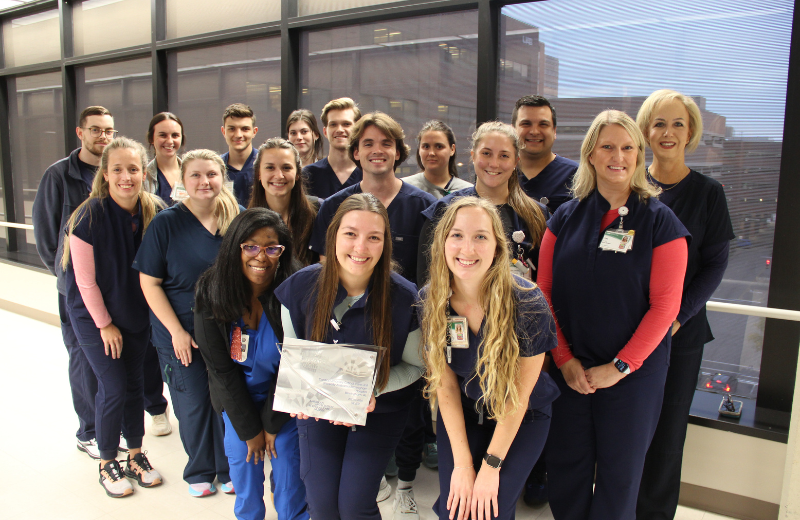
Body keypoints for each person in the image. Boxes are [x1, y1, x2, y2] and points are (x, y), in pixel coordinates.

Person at [538, 110, 689, 520]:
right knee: (566, 466)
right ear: (590, 155)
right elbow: (545, 292)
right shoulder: (564, 217)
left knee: (620, 476)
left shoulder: (661, 222)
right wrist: (563, 359)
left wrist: (621, 366)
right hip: (569, 368)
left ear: (639, 156)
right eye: (607, 146)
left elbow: (665, 307)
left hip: (632, 376)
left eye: (627, 147)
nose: (617, 156)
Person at [275, 193, 425, 520]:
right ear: (333, 236)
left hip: (380, 411)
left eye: (374, 237)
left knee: (355, 506)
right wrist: (302, 392)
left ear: (385, 243)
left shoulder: (404, 297)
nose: (361, 247)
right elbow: (294, 356)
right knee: (323, 506)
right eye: (351, 234)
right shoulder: (300, 288)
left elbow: (416, 365)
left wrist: (371, 391)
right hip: (319, 412)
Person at [420, 196, 558, 520]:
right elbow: (446, 387)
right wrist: (464, 466)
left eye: (480, 236)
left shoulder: (527, 301)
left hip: (522, 417)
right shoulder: (431, 299)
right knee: (455, 509)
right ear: (442, 242)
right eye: (457, 235)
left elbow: (519, 398)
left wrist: (490, 467)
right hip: (466, 412)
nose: (467, 249)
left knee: (488, 511)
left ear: (497, 246)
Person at [635, 90, 734, 520]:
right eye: (659, 123)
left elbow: (714, 265)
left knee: (668, 432)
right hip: (628, 330)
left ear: (690, 132)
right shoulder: (630, 186)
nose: (668, 132)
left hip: (681, 333)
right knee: (628, 427)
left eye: (678, 124)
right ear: (645, 130)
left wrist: (677, 317)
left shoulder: (708, 193)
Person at [61, 137, 165, 497]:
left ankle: (136, 454)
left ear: (144, 172)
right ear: (105, 174)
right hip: (94, 317)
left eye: (133, 169)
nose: (126, 176)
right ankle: (107, 461)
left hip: (134, 313)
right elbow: (86, 283)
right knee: (114, 385)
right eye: (118, 169)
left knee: (135, 383)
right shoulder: (87, 215)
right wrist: (105, 325)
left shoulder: (153, 210)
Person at [134, 149, 240, 497]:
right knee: (193, 402)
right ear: (182, 180)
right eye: (195, 175)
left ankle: (227, 469)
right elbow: (149, 283)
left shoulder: (234, 219)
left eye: (211, 174)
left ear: (222, 178)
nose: (204, 181)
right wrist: (176, 331)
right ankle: (200, 469)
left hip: (225, 330)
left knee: (225, 401)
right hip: (179, 331)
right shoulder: (166, 223)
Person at [194, 208, 308, 520]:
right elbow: (220, 369)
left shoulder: (295, 292)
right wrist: (250, 428)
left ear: (282, 252)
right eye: (250, 246)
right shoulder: (211, 290)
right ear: (235, 247)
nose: (261, 257)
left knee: (287, 466)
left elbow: (295, 363)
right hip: (236, 399)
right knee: (244, 469)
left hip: (284, 397)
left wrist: (270, 423)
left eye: (272, 248)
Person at [32, 106, 116, 460]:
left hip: (113, 287)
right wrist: (70, 276)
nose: (103, 136)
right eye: (95, 130)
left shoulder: (117, 172)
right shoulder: (59, 175)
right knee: (82, 358)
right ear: (80, 133)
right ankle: (89, 431)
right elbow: (47, 235)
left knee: (109, 358)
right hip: (75, 291)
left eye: (108, 130)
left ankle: (111, 424)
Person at [309, 111, 436, 286]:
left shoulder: (426, 207)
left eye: (386, 144)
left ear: (397, 152)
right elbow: (326, 267)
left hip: (408, 308)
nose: (377, 150)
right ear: (356, 152)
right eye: (368, 144)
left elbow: (434, 272)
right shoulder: (333, 206)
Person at [418, 121, 548, 285]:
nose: (494, 163)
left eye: (504, 156)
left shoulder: (537, 216)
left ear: (516, 162)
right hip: (456, 310)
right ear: (473, 156)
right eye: (486, 153)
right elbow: (426, 280)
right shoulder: (444, 210)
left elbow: (546, 281)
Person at [248, 137, 319, 266]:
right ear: (259, 173)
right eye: (270, 167)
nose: (279, 175)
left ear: (297, 173)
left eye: (286, 168)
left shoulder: (318, 211)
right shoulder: (246, 222)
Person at [511, 96, 578, 214]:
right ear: (513, 130)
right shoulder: (501, 172)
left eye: (543, 124)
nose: (534, 132)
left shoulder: (576, 175)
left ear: (554, 131)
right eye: (526, 124)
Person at [302, 97, 363, 199]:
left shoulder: (368, 173)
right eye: (333, 124)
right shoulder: (309, 175)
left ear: (357, 129)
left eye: (346, 124)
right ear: (325, 132)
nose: (339, 129)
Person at [403, 120, 472, 199]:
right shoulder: (404, 189)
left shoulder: (467, 192)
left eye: (439, 147)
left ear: (452, 149)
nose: (431, 153)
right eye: (426, 147)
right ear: (419, 149)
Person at [221, 103, 260, 206]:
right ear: (223, 131)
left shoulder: (266, 164)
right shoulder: (216, 168)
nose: (238, 135)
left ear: (254, 132)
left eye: (245, 129)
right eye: (232, 129)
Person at [144, 112, 185, 207]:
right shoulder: (144, 178)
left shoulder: (193, 174)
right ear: (151, 138)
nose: (170, 141)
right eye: (163, 135)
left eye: (175, 135)